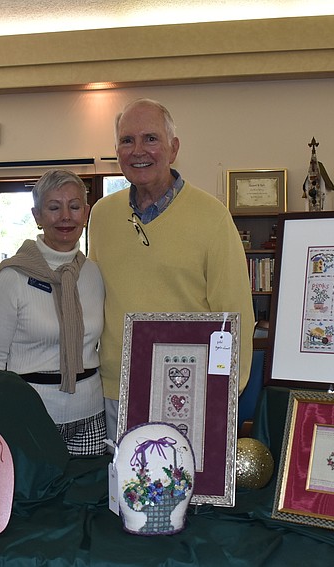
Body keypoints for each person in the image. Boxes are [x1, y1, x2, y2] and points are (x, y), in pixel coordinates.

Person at [88, 98, 254, 442]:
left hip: (189, 391)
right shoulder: (102, 216)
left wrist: (226, 391)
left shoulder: (212, 216)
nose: (138, 150)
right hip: (115, 390)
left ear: (173, 148)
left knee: (185, 491)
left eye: (150, 138)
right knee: (122, 493)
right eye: (126, 140)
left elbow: (235, 314)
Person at [0, 169, 107, 455]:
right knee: (34, 499)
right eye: (54, 207)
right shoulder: (12, 276)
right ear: (37, 215)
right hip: (30, 415)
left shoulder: (93, 273)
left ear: (86, 213)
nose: (66, 216)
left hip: (91, 414)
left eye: (74, 206)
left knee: (85, 498)